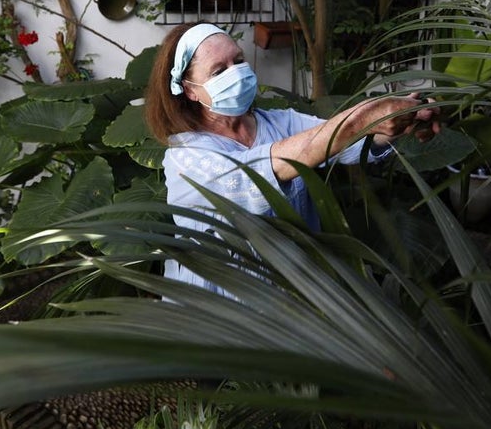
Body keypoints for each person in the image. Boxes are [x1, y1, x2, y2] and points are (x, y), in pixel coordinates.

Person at [145, 22, 440, 292]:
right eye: (218, 71)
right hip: (225, 307)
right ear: (189, 91)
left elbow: (346, 141)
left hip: (295, 292)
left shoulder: (279, 123)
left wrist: (404, 119)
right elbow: (269, 167)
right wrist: (366, 117)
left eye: (238, 61)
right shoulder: (186, 158)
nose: (235, 72)